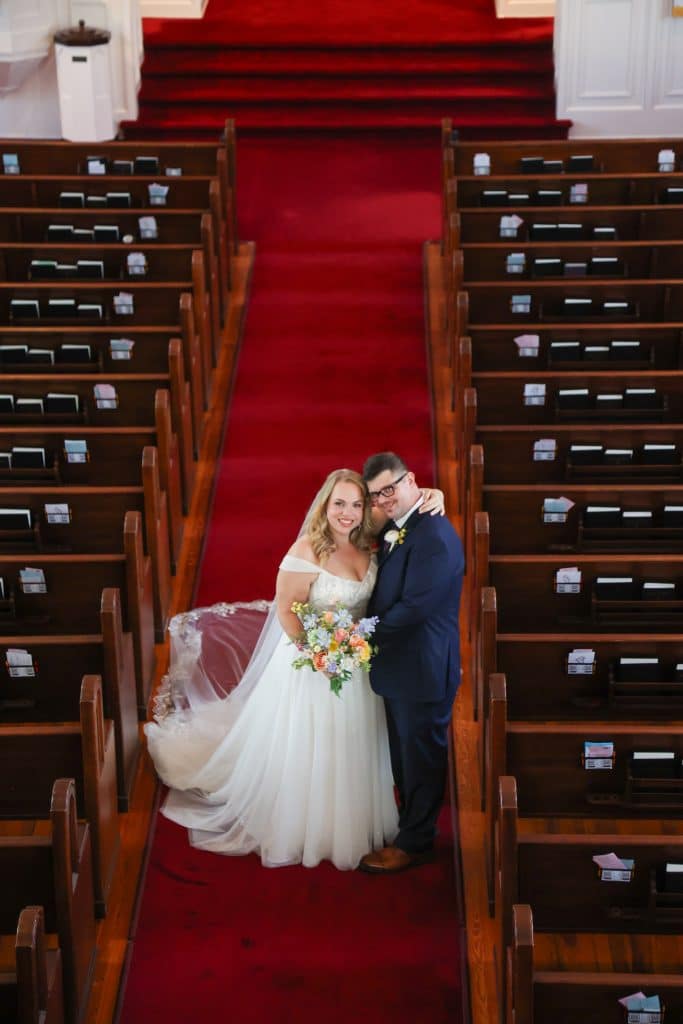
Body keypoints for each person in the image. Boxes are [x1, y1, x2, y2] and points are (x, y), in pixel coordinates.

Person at [145, 468, 443, 871]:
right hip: (312, 664)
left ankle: (355, 816)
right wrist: (319, 653)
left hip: (356, 663)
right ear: (325, 503)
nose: (348, 513)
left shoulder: (367, 535)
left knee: (354, 740)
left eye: (357, 504)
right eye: (339, 503)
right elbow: (286, 610)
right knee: (312, 742)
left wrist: (433, 492)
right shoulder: (307, 550)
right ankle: (309, 822)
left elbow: (400, 502)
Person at [359, 452, 464, 874]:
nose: (384, 499)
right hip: (401, 666)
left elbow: (415, 608)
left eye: (391, 488)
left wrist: (360, 633)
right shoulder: (399, 526)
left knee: (421, 758)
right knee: (405, 756)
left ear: (411, 481)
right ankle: (409, 827)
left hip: (422, 667)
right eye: (376, 495)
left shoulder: (433, 534)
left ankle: (417, 841)